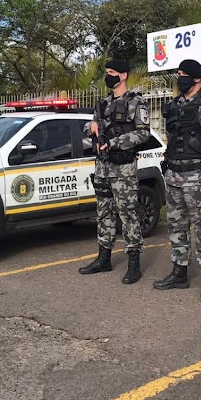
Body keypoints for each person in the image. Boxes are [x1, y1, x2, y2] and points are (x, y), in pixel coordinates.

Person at [153, 59, 201, 302]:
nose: (180, 78)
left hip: (198, 177)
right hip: (174, 175)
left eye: (184, 74)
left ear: (197, 78)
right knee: (176, 226)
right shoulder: (174, 105)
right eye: (178, 73)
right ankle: (179, 273)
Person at [79, 58, 151, 284]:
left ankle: (134, 263)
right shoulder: (102, 104)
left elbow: (143, 134)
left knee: (128, 213)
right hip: (102, 166)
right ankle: (104, 258)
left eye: (112, 72)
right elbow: (88, 127)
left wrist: (115, 142)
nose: (108, 75)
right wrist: (90, 127)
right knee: (103, 212)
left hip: (123, 167)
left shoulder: (136, 102)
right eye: (107, 72)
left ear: (123, 75)